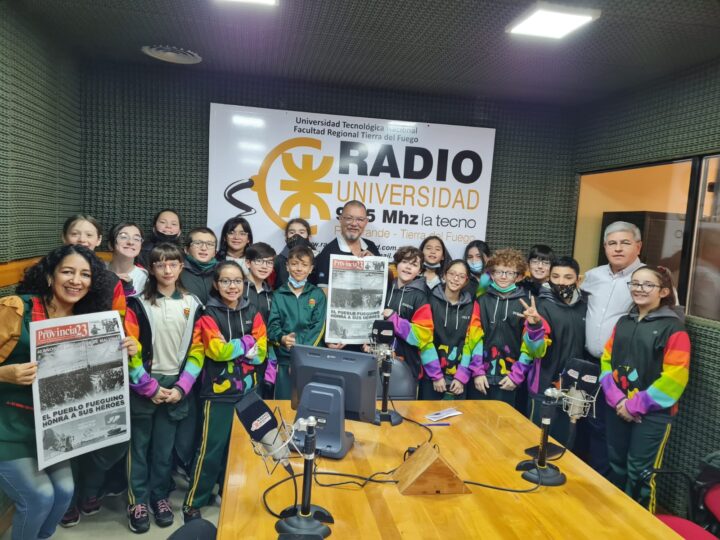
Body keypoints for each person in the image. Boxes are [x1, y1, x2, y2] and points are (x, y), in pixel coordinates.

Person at [0, 245, 135, 540]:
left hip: (52, 428)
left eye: (85, 274)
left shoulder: (91, 320)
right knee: (38, 497)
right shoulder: (15, 308)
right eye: (68, 271)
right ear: (50, 275)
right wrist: (4, 374)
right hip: (7, 426)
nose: (77, 280)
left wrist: (125, 349)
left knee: (63, 492)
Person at [124, 243, 204, 533]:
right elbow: (130, 350)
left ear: (181, 266)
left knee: (164, 449)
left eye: (173, 264)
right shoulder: (137, 304)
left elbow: (198, 350)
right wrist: (148, 386)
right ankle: (138, 500)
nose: (167, 270)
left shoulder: (193, 303)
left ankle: (159, 497)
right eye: (160, 265)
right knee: (139, 447)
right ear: (152, 268)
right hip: (145, 384)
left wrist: (182, 387)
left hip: (176, 386)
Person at [183, 261, 267, 523]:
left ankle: (226, 492)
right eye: (226, 281)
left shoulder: (253, 310)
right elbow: (216, 351)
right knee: (211, 449)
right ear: (216, 285)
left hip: (248, 390)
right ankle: (194, 501)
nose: (232, 286)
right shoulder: (208, 313)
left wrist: (241, 348)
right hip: (217, 393)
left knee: (240, 449)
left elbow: (261, 352)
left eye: (237, 281)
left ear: (244, 284)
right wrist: (247, 343)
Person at [600, 266, 690, 511]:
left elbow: (675, 379)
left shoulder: (674, 328)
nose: (639, 289)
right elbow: (606, 361)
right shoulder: (623, 322)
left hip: (652, 416)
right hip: (617, 407)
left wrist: (633, 405)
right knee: (616, 466)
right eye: (635, 283)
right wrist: (618, 400)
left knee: (640, 474)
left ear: (663, 291)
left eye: (647, 285)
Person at [60, 215, 128, 527]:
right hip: (59, 371)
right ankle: (70, 501)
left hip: (101, 368)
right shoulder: (51, 275)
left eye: (89, 234)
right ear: (65, 238)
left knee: (108, 439)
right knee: (66, 439)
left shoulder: (111, 282)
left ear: (99, 240)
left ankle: (90, 490)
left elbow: (121, 323)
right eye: (76, 233)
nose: (83, 239)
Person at [579, 221, 644, 475]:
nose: (618, 249)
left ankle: (610, 491)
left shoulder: (649, 279)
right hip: (590, 363)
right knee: (589, 425)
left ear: (638, 246)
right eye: (612, 243)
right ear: (605, 247)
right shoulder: (593, 277)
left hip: (624, 370)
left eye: (625, 243)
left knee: (614, 433)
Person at [504, 257, 587, 441]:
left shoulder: (586, 306)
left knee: (567, 443)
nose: (561, 282)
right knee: (537, 440)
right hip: (543, 387)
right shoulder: (541, 307)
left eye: (567, 277)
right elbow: (536, 351)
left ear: (578, 280)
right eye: (556, 277)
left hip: (574, 390)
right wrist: (534, 326)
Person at [468, 248, 530, 406]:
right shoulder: (481, 300)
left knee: (504, 425)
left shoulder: (526, 303)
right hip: (481, 375)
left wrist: (517, 375)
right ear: (492, 274)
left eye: (509, 273)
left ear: (518, 276)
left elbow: (528, 344)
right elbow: (473, 337)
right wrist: (477, 371)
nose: (503, 276)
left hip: (509, 377)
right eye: (499, 271)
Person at [265, 245, 326, 399]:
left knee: (311, 403)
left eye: (304, 265)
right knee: (285, 403)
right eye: (294, 264)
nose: (299, 269)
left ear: (311, 268)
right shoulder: (278, 295)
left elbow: (318, 328)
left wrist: (300, 356)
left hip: (311, 359)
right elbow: (272, 326)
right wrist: (282, 338)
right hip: (285, 361)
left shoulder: (317, 294)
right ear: (287, 266)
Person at [423, 260, 484, 400]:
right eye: (452, 274)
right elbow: (424, 339)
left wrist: (462, 376)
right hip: (431, 376)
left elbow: (471, 343)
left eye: (461, 276)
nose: (456, 279)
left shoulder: (472, 306)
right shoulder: (429, 301)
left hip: (459, 380)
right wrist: (436, 376)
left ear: (466, 281)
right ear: (444, 275)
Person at [381, 246, 435, 398]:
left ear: (419, 271)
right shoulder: (384, 288)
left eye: (414, 264)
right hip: (378, 361)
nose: (408, 267)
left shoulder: (421, 297)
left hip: (407, 366)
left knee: (404, 412)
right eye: (405, 261)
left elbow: (423, 336)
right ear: (396, 264)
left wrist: (394, 319)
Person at [313, 200, 380, 289]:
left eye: (360, 219)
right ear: (341, 219)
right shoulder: (328, 252)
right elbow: (322, 291)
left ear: (366, 222)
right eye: (349, 218)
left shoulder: (371, 246)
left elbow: (381, 282)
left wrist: (376, 263)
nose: (354, 223)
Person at [244, 242, 276, 392]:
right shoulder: (237, 288)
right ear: (248, 262)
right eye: (259, 261)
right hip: (239, 354)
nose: (264, 266)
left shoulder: (271, 294)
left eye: (269, 262)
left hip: (262, 356)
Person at [107, 221, 148, 297]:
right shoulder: (99, 270)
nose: (130, 242)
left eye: (136, 238)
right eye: (123, 237)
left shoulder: (145, 278)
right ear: (110, 245)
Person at [179, 227, 218, 305]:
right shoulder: (177, 272)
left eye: (210, 244)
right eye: (197, 243)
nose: (204, 248)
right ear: (186, 250)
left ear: (215, 252)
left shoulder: (222, 272)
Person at [274, 218, 313, 290]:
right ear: (286, 237)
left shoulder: (316, 260)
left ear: (308, 237)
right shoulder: (277, 261)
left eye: (301, 232)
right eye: (292, 232)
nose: (297, 236)